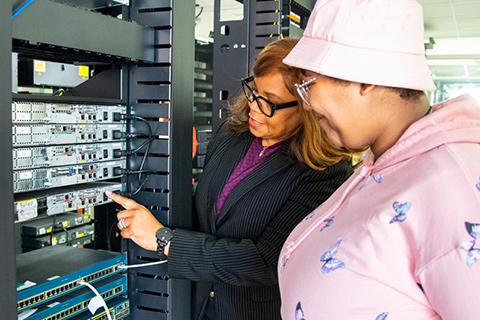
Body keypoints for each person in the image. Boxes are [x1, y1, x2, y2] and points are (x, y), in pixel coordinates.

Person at [106, 38, 358, 320]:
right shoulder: (231, 135)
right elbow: (208, 218)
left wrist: (165, 241)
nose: (253, 107)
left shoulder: (325, 173)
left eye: (270, 102)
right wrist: (172, 169)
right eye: (254, 91)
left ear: (308, 108)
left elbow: (265, 261)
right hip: (194, 305)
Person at [277, 1, 480, 319]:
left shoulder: (454, 186)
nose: (306, 104)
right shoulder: (387, 162)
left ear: (364, 75)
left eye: (308, 83)